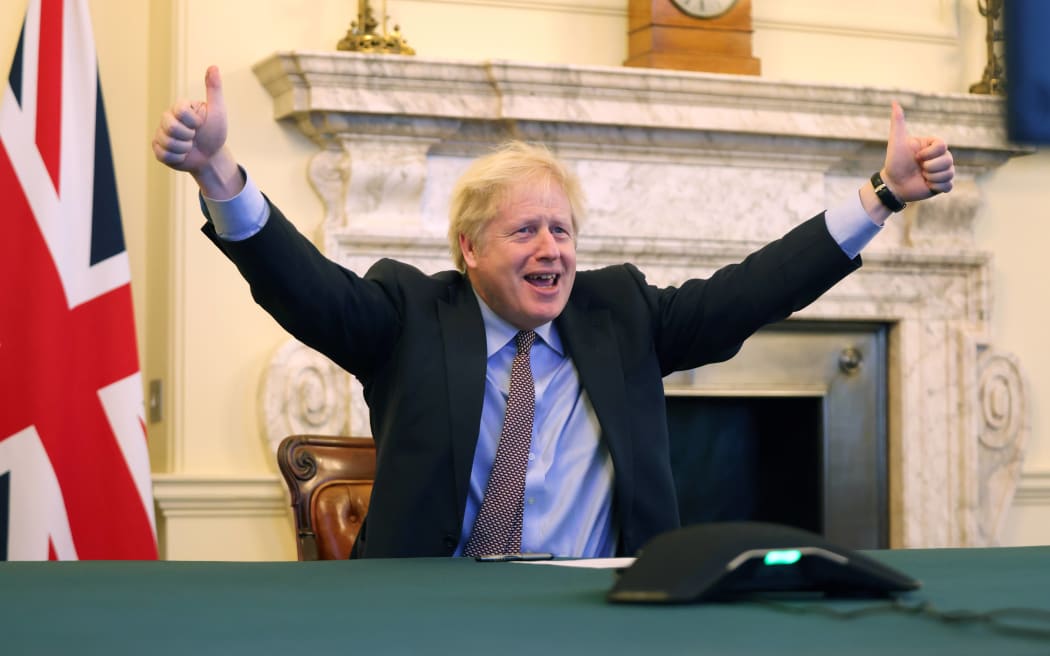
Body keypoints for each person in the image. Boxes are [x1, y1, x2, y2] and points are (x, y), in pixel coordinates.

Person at [153, 66, 955, 559]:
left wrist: (879, 198)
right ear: (469, 248)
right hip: (436, 615)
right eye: (526, 229)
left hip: (601, 613)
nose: (552, 249)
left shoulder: (621, 315)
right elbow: (306, 288)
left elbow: (754, 288)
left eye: (563, 230)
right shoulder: (410, 314)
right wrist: (220, 174)